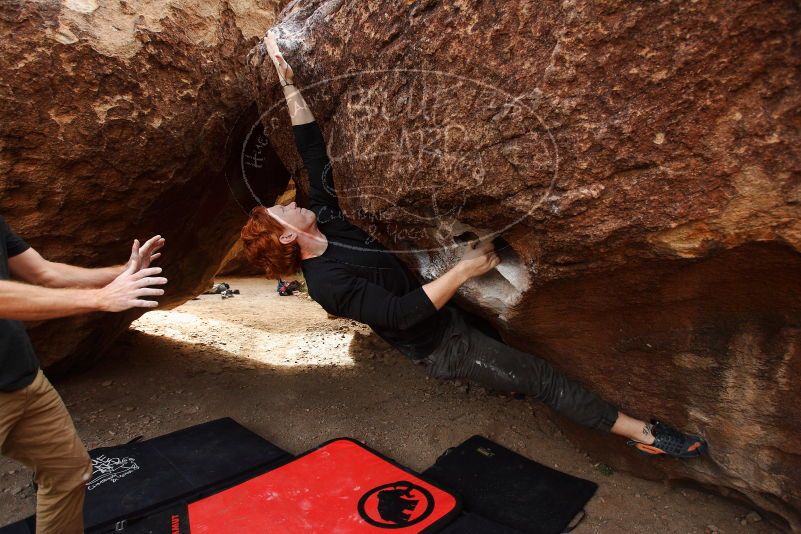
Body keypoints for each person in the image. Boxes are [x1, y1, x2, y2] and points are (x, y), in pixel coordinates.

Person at [242, 31, 707, 459]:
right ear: (286, 234)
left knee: (515, 363)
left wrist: (289, 85)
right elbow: (400, 315)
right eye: (281, 210)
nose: (289, 203)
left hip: (451, 315)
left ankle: (514, 382)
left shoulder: (323, 219)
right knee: (541, 378)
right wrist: (463, 270)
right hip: (443, 346)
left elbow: (312, 150)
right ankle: (647, 436)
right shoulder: (327, 283)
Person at [0, 217, 168, 534]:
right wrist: (99, 298)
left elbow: (45, 272)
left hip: (23, 378)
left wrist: (124, 271)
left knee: (68, 473)